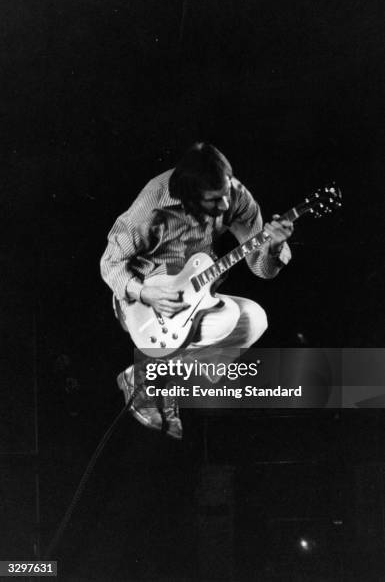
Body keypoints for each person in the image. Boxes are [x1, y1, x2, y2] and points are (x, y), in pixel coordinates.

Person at [100, 142, 293, 438]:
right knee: (227, 323)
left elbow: (260, 267)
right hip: (146, 304)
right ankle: (154, 378)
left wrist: (273, 245)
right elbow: (110, 262)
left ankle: (151, 379)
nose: (225, 206)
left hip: (195, 294)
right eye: (214, 202)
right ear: (189, 198)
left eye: (226, 194)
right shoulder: (151, 207)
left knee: (254, 319)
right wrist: (143, 293)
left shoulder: (236, 197)